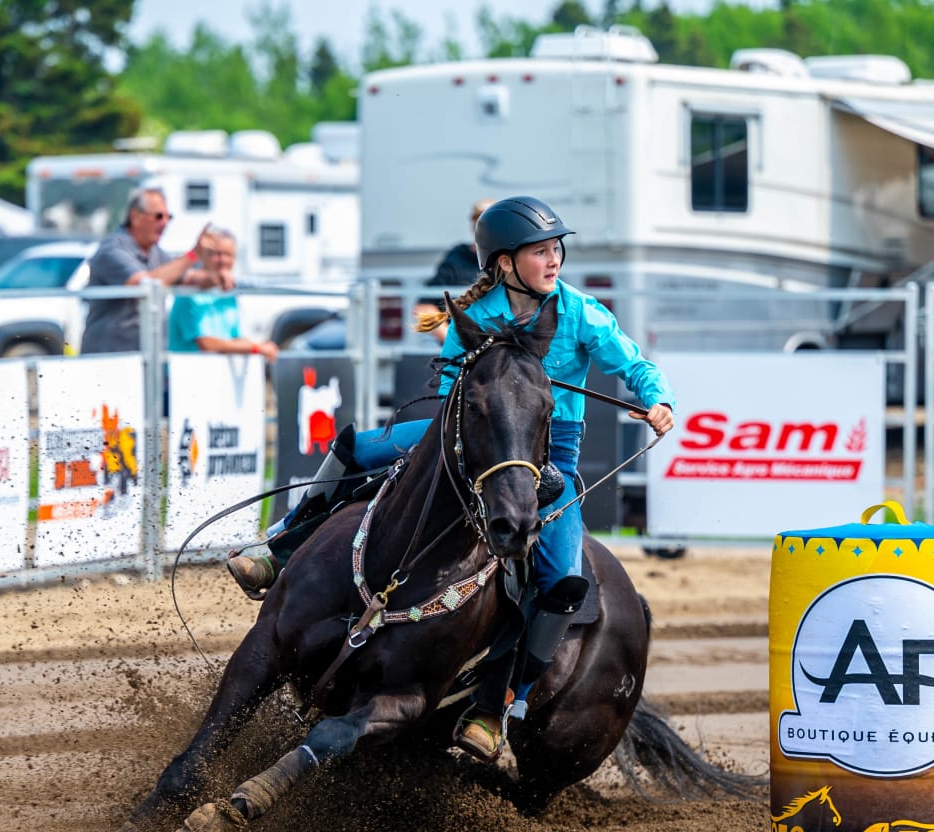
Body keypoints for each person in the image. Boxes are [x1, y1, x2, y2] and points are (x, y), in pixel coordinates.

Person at [228, 196, 675, 764]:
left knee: (562, 579)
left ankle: (498, 705)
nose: (554, 258)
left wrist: (656, 398)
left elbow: (633, 364)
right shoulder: (475, 316)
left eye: (556, 248)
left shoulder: (583, 313)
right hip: (467, 432)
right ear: (506, 263)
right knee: (355, 448)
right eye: (541, 250)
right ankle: (282, 545)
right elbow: (448, 401)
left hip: (548, 451)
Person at [80, 187, 228, 355]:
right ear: (135, 217)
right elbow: (143, 285)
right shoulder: (112, 250)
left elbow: (190, 278)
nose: (165, 222)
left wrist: (217, 278)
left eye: (168, 217)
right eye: (158, 216)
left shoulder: (156, 253)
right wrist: (194, 254)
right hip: (108, 361)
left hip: (143, 361)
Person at [166, 229, 279, 362]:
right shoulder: (189, 293)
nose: (223, 260)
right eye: (216, 254)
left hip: (217, 373)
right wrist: (256, 348)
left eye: (228, 255)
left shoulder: (228, 294)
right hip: (189, 373)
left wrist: (261, 346)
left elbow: (234, 338)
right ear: (204, 256)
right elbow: (207, 344)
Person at [425, 197, 495, 288]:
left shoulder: (508, 259)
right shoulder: (456, 256)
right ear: (472, 224)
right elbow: (429, 296)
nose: (483, 224)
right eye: (477, 219)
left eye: (489, 219)